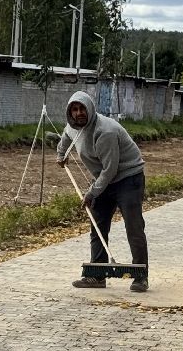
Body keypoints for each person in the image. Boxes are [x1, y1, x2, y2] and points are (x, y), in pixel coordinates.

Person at [56, 90, 149, 293]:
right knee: (97, 225)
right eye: (75, 110)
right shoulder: (73, 127)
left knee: (133, 227)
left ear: (90, 108)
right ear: (70, 113)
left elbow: (110, 170)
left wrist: (91, 193)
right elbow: (65, 137)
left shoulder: (105, 131)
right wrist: (61, 154)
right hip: (104, 179)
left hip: (127, 178)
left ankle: (140, 277)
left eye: (82, 109)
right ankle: (97, 276)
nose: (79, 113)